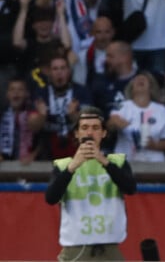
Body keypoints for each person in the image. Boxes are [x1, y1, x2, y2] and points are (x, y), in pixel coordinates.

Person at [45, 105, 137, 261]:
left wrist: (104, 161)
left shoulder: (117, 162)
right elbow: (51, 198)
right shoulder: (63, 165)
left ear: (103, 133)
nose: (89, 133)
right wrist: (72, 167)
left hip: (110, 248)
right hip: (76, 248)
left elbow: (130, 188)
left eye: (95, 128)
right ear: (77, 133)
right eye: (84, 127)